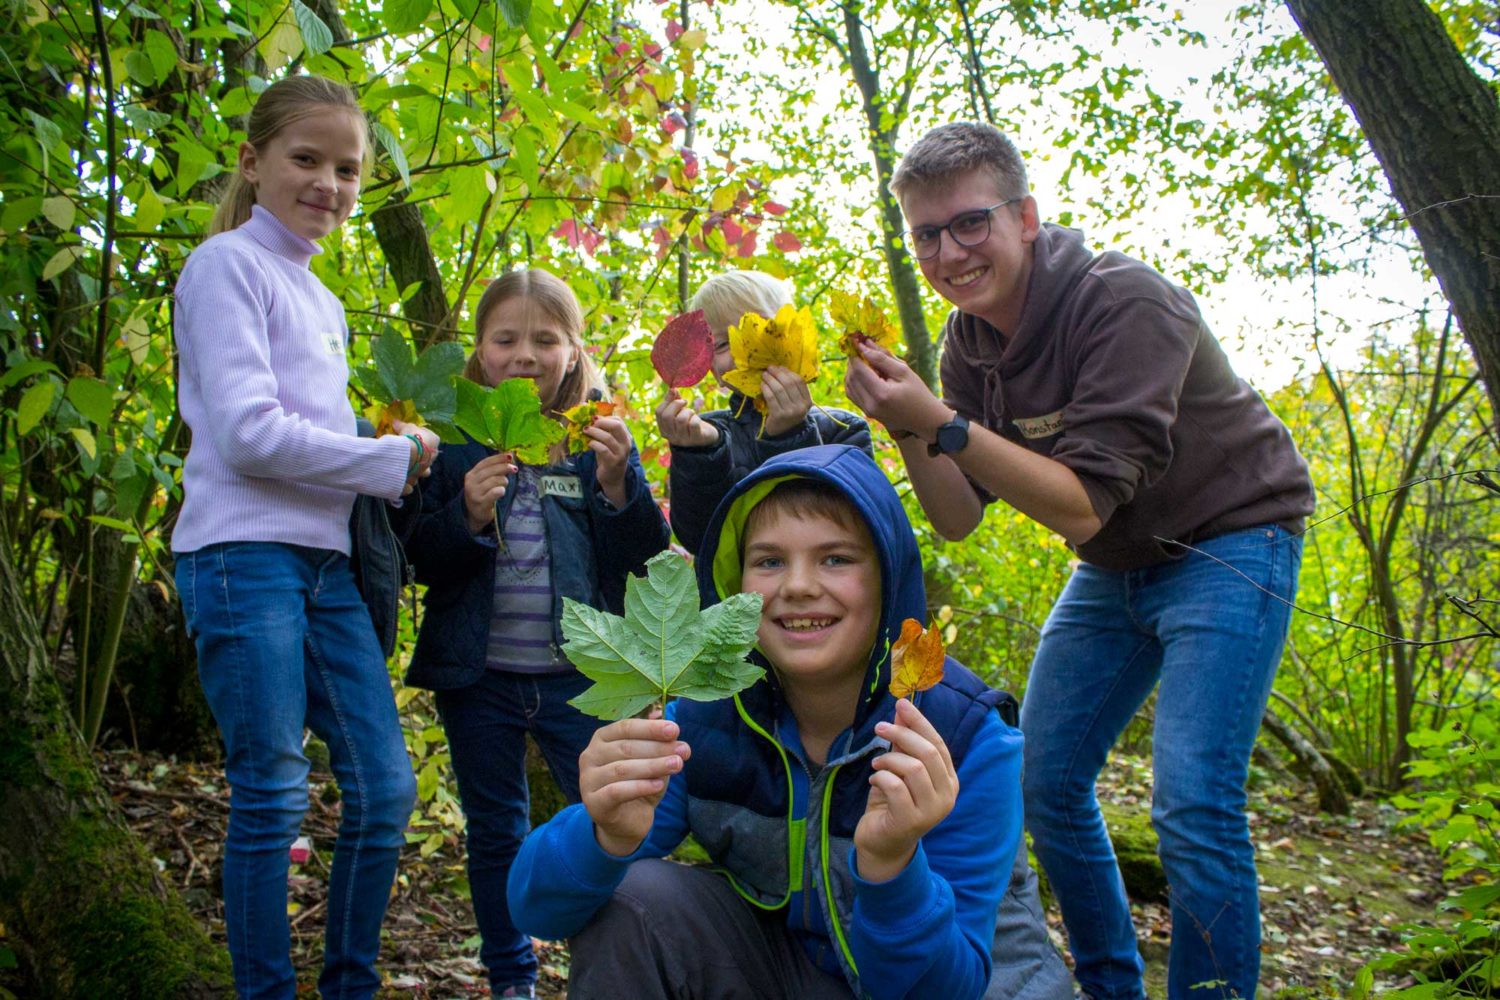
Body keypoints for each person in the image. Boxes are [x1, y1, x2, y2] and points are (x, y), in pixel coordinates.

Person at [843, 122, 1316, 999]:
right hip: (1117, 565)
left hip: (1235, 542)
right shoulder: (967, 344)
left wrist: (944, 424)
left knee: (1192, 806)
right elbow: (955, 519)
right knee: (1047, 780)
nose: (950, 251)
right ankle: (1110, 988)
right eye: (927, 234)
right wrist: (909, 423)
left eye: (971, 222)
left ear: (1025, 216)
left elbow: (1077, 502)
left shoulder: (1125, 302)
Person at [508, 444, 1071, 1000]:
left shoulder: (964, 736)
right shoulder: (705, 722)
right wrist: (602, 835)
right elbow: (536, 910)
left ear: (889, 577)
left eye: (837, 558)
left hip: (970, 986)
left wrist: (892, 866)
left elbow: (943, 990)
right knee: (635, 902)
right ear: (735, 584)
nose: (798, 586)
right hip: (797, 972)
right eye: (770, 561)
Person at [171, 74, 439, 999]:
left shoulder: (320, 300)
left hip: (323, 569)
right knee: (274, 792)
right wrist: (383, 461)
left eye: (348, 168)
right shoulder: (226, 268)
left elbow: (305, 438)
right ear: (253, 163)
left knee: (387, 789)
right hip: (241, 559)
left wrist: (381, 446)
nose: (329, 182)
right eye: (307, 159)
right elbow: (247, 437)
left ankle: (349, 984)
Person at [398, 268, 671, 999]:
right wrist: (465, 517)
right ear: (479, 352)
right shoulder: (451, 446)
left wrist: (619, 487)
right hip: (477, 677)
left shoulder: (595, 443)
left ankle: (609, 965)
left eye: (545, 339)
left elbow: (641, 564)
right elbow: (421, 559)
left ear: (574, 351)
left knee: (612, 817)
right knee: (495, 830)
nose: (525, 353)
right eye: (506, 338)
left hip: (580, 681)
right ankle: (511, 978)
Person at [655, 270, 872, 553]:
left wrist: (792, 437)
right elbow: (700, 538)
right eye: (721, 344)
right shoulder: (710, 436)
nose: (739, 352)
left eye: (757, 329)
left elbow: (855, 529)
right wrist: (700, 454)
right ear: (710, 368)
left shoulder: (844, 429)